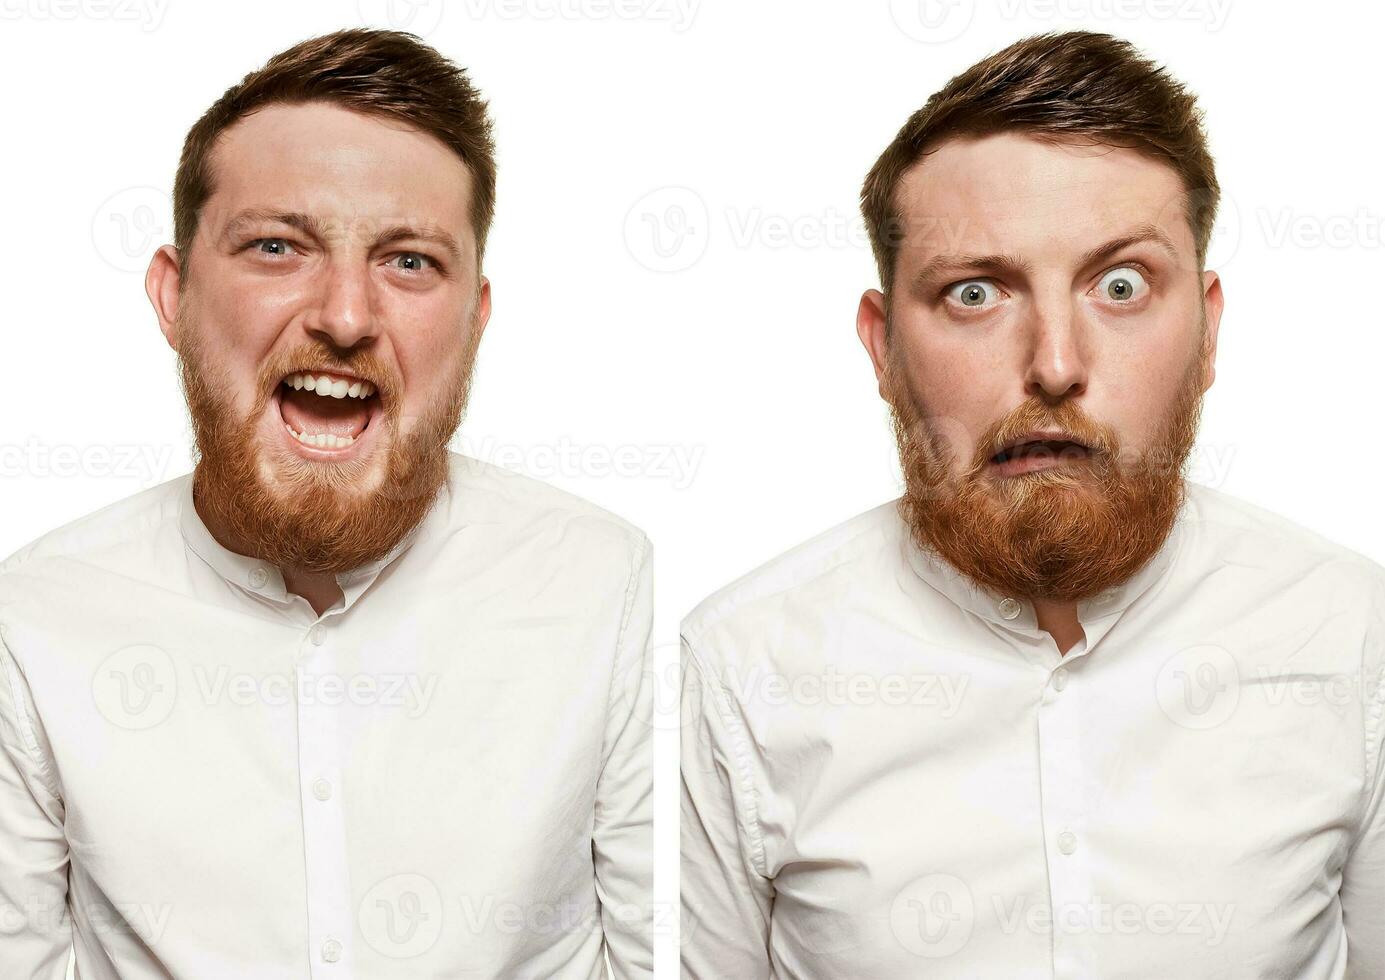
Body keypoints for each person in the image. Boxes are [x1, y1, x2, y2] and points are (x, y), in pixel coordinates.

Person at [680, 30, 1384, 979]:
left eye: (1121, 285)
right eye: (976, 293)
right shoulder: (737, 672)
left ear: (1207, 333)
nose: (1054, 365)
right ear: (882, 348)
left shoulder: (1353, 636)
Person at [0, 28, 652, 979]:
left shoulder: (610, 585)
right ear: (172, 298)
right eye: (276, 246)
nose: (345, 316)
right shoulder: (33, 618)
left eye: (410, 262)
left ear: (474, 318)